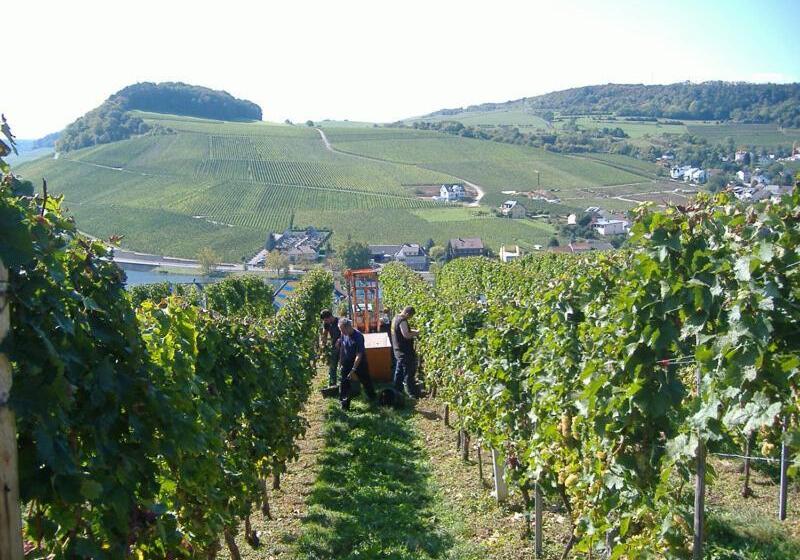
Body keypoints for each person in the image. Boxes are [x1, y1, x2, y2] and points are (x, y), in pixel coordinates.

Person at [337, 317, 377, 410]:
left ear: (348, 327)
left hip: (360, 364)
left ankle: (373, 398)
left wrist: (353, 369)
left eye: (343, 330)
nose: (342, 333)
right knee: (344, 383)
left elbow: (359, 355)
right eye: (340, 330)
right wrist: (340, 361)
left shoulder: (358, 336)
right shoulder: (343, 334)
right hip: (347, 362)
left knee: (366, 381)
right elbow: (343, 348)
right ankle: (344, 404)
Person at [391, 306, 420, 398]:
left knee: (399, 371)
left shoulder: (395, 318)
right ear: (407, 314)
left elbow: (401, 331)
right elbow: (406, 335)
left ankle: (397, 390)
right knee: (409, 372)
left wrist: (415, 331)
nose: (409, 319)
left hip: (397, 350)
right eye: (409, 317)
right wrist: (417, 333)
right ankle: (411, 393)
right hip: (405, 352)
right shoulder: (402, 320)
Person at [319, 309, 341, 387]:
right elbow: (325, 334)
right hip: (334, 347)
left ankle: (343, 383)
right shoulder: (327, 324)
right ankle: (332, 384)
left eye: (325, 320)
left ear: (330, 317)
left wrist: (339, 340)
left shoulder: (339, 322)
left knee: (342, 365)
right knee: (332, 366)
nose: (325, 322)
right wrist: (323, 343)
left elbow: (345, 334)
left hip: (343, 347)